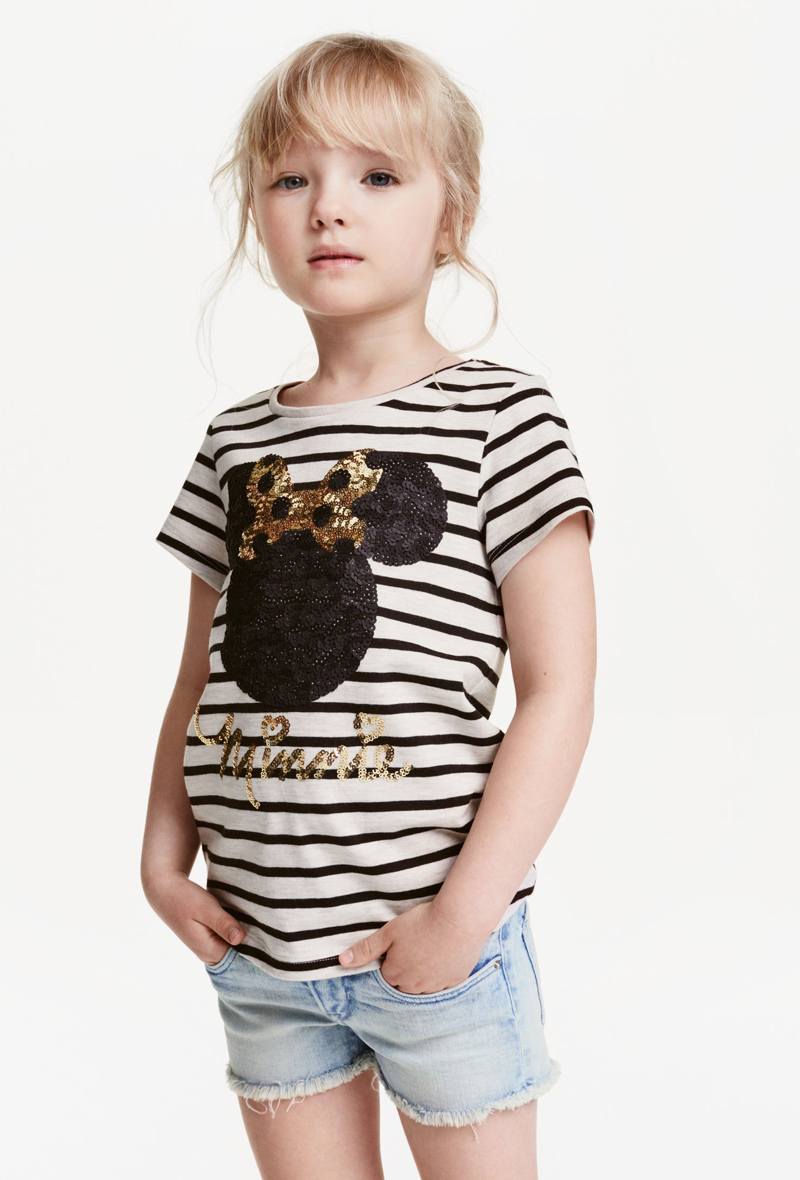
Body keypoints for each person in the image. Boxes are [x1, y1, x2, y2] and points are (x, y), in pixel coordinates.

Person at [141, 31, 597, 1180]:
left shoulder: (501, 420)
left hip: (440, 949)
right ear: (256, 213)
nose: (328, 207)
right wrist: (161, 864)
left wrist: (462, 916)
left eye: (378, 175)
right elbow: (200, 678)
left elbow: (558, 689)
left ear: (451, 214)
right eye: (291, 177)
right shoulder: (235, 442)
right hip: (260, 951)